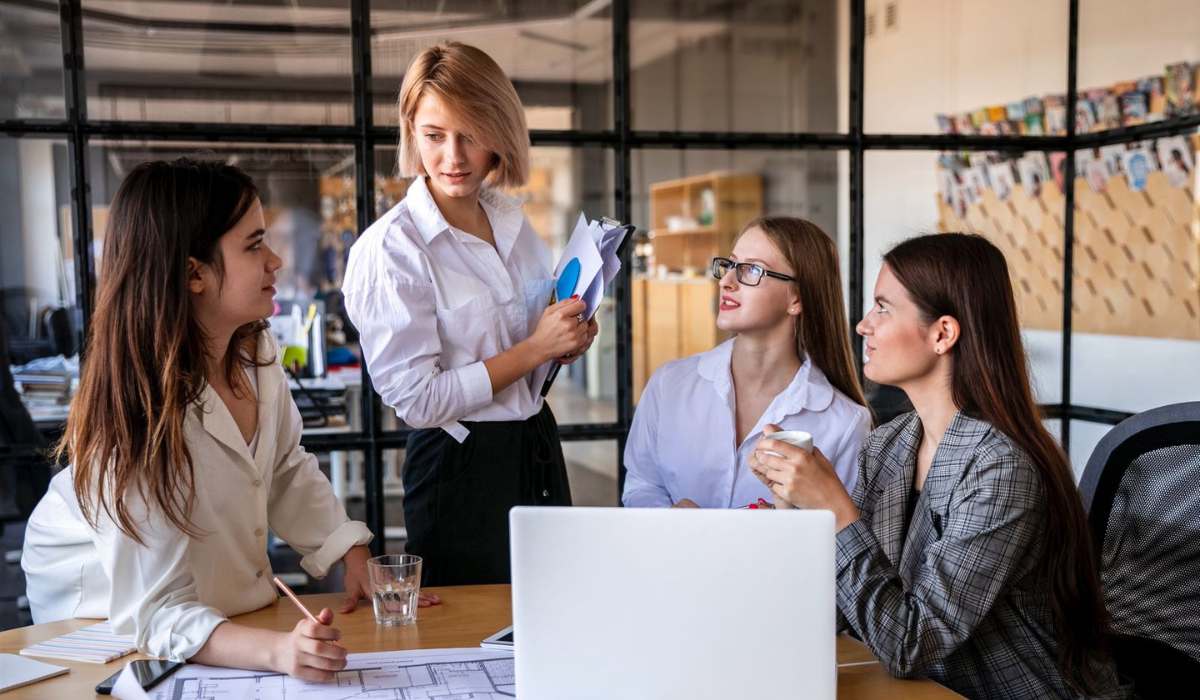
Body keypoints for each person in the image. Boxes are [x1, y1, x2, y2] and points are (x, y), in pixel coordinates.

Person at [22, 158, 437, 682]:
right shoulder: (136, 409)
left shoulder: (253, 348)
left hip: (205, 599)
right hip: (101, 609)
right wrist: (277, 653)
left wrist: (351, 554)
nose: (276, 260)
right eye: (254, 244)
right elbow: (152, 612)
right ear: (194, 272)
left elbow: (283, 465)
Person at [751, 233, 1126, 698]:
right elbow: (848, 616)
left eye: (883, 308)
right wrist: (795, 509)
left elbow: (909, 643)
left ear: (943, 334)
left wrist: (837, 509)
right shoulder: (889, 445)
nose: (864, 326)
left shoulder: (1000, 467)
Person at [342, 42, 596, 586]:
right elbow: (417, 400)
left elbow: (527, 357)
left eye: (471, 135)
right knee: (467, 638)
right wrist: (534, 349)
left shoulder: (513, 225)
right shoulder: (392, 250)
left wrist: (563, 341)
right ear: (412, 131)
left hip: (535, 444)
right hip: (458, 465)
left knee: (554, 611)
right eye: (435, 136)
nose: (453, 157)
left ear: (499, 134)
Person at [622, 217, 871, 509]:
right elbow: (641, 485)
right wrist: (672, 518)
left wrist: (782, 526)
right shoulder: (669, 384)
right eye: (729, 265)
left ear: (796, 299)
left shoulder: (846, 423)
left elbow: (841, 538)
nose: (726, 282)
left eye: (751, 270)